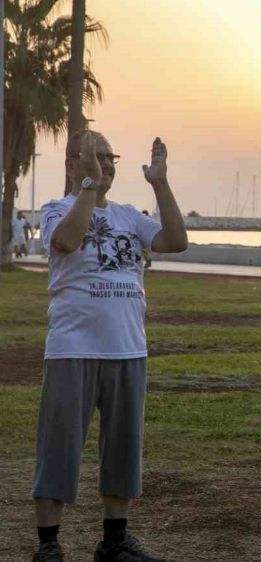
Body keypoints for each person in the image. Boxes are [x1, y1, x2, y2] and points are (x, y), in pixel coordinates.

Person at [32, 130, 188, 562]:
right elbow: (67, 241)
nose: (106, 165)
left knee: (122, 450)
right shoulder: (56, 209)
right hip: (72, 349)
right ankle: (49, 545)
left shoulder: (129, 216)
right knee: (59, 447)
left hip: (127, 349)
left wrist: (159, 182)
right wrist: (87, 186)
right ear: (72, 165)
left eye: (110, 157)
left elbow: (176, 241)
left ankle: (114, 541)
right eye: (94, 157)